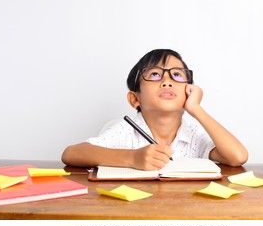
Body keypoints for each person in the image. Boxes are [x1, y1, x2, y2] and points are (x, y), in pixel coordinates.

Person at [61, 49, 248, 170]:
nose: (167, 81)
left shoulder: (193, 134)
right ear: (135, 99)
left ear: (189, 91)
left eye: (176, 75)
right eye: (155, 74)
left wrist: (196, 109)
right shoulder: (126, 131)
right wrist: (133, 158)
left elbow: (237, 157)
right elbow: (71, 153)